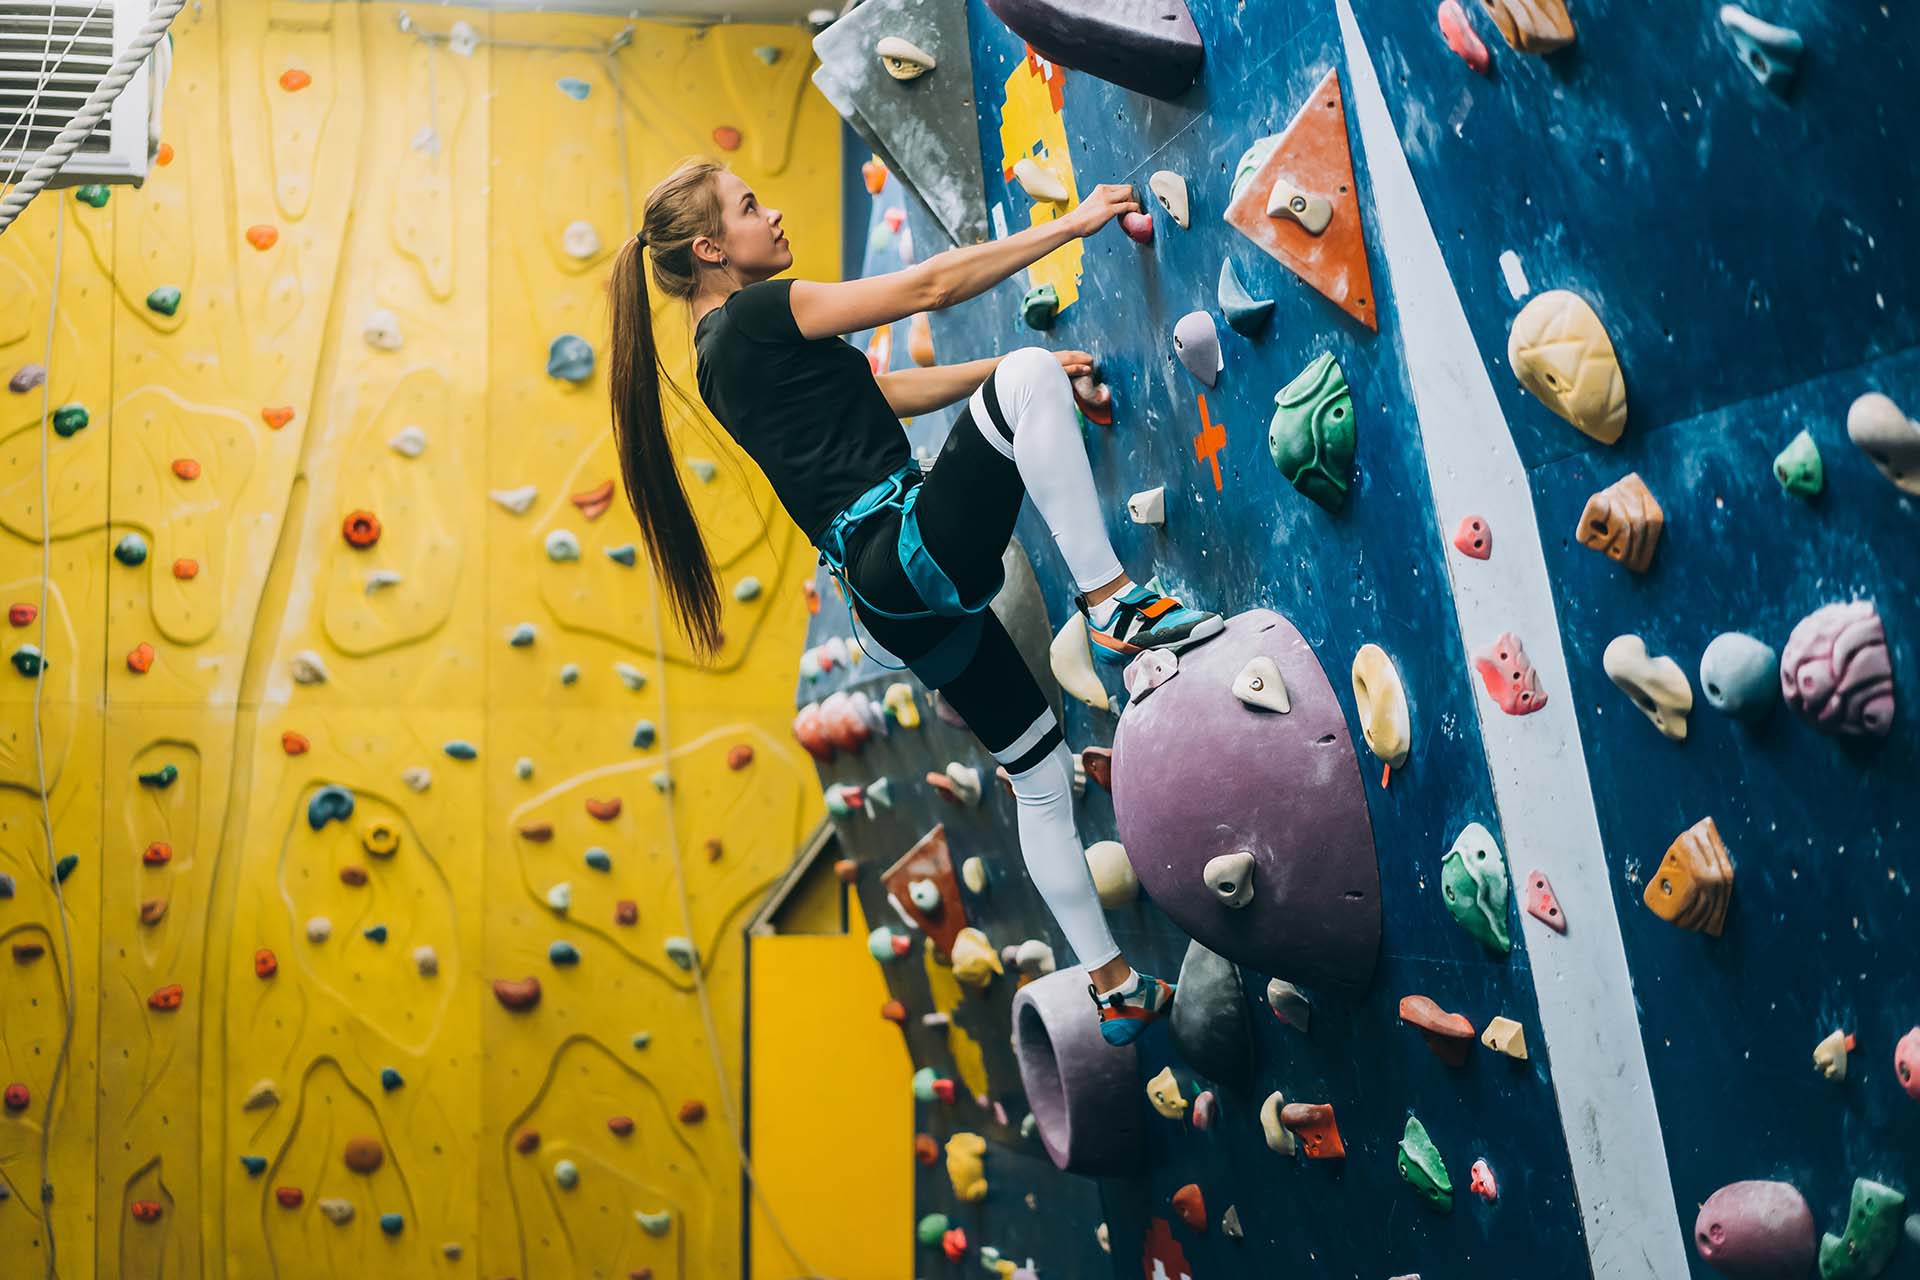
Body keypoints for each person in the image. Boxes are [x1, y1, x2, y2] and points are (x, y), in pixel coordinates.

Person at [606, 156, 1223, 1046]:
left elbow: (879, 394)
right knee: (1024, 382)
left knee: (1041, 779)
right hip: (904, 551)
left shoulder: (716, 360)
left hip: (888, 604)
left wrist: (1017, 373)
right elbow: (929, 283)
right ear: (710, 248)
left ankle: (1113, 984)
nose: (772, 213)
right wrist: (1071, 222)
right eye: (749, 207)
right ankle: (1114, 604)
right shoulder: (754, 313)